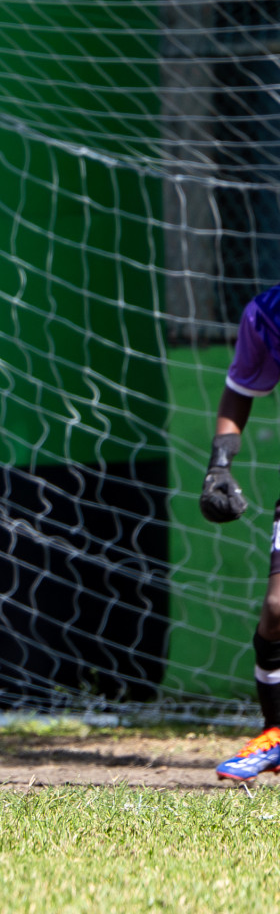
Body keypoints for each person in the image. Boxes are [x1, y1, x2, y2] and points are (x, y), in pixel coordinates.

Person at [197, 283, 280, 779]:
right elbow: (242, 387)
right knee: (276, 610)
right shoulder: (268, 314)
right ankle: (276, 731)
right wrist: (218, 467)